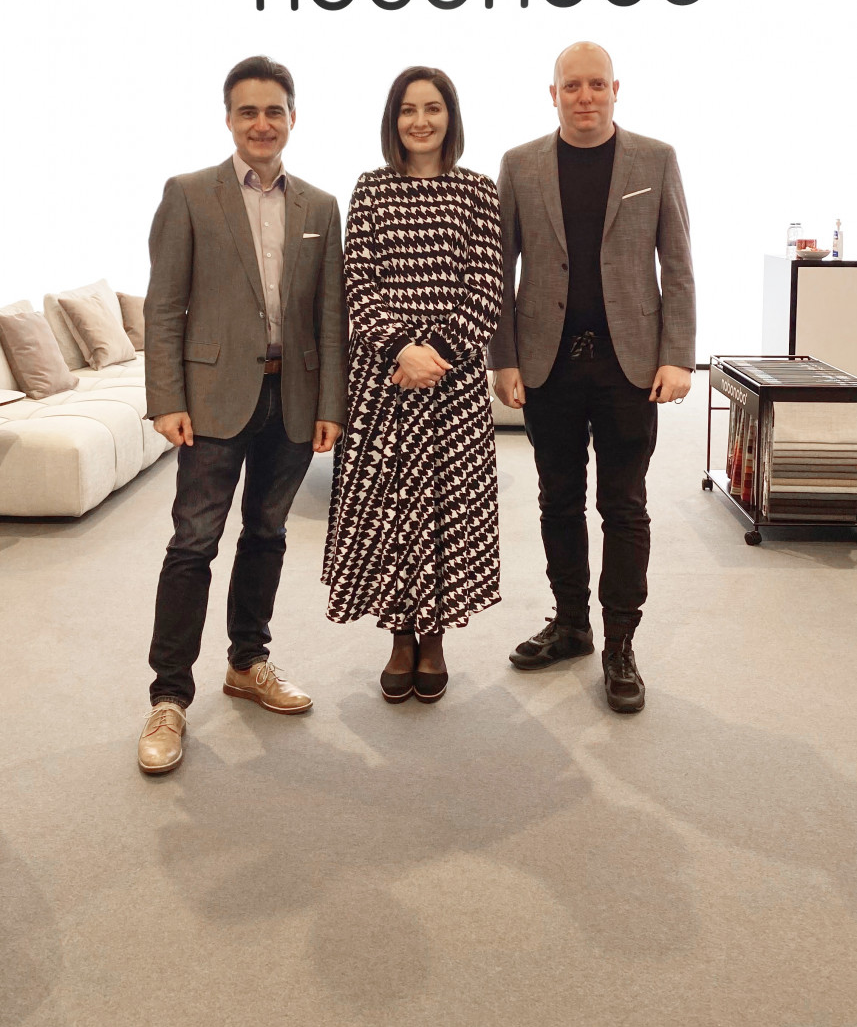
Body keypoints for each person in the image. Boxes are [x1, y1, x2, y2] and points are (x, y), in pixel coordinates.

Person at [138, 55, 347, 774]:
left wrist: (330, 403)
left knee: (267, 534)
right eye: (248, 111)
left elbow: (330, 317)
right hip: (211, 401)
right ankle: (169, 698)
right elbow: (164, 305)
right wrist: (166, 398)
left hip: (292, 399)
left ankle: (247, 662)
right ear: (228, 118)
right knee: (193, 543)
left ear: (292, 118)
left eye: (274, 111)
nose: (262, 123)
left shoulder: (320, 206)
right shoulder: (189, 194)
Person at [489, 42, 695, 713]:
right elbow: (498, 269)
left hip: (627, 364)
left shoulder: (654, 159)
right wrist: (504, 358)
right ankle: (572, 624)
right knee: (557, 500)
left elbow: (677, 262)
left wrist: (677, 354)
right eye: (571, 86)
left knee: (624, 505)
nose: (584, 96)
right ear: (552, 94)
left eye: (596, 84)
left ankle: (620, 644)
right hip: (548, 363)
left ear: (615, 89)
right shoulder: (519, 165)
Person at [323, 66, 503, 703]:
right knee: (391, 514)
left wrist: (435, 356)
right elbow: (358, 285)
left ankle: (436, 637)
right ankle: (400, 636)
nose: (420, 121)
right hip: (383, 382)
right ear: (392, 119)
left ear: (451, 116)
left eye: (432, 108)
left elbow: (486, 290)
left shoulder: (478, 191)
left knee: (446, 514)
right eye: (407, 109)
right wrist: (402, 349)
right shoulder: (370, 189)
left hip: (454, 389)